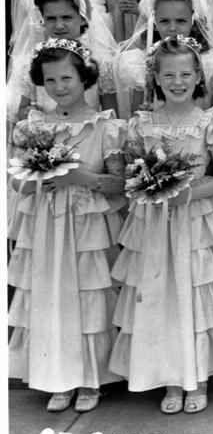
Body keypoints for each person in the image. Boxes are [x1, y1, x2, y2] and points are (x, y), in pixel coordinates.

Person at [108, 36, 213, 415]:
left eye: (185, 73)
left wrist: (186, 195)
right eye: (169, 75)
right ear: (156, 78)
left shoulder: (208, 122)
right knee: (159, 294)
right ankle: (167, 378)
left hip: (194, 220)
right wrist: (148, 186)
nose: (177, 82)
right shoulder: (142, 125)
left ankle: (194, 377)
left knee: (192, 293)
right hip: (153, 224)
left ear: (198, 75)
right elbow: (131, 177)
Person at [7, 39, 126, 413]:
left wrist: (77, 176)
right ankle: (58, 376)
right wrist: (40, 174)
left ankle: (90, 378)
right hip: (47, 223)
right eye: (51, 80)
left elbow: (119, 183)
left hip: (87, 225)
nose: (60, 87)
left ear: (84, 77)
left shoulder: (107, 126)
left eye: (67, 78)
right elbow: (18, 181)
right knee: (51, 294)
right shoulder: (34, 125)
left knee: (88, 295)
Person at [8, 0, 118, 121]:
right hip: (47, 134)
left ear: (82, 19)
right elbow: (22, 110)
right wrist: (29, 113)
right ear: (42, 20)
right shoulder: (32, 62)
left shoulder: (99, 62)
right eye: (51, 18)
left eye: (67, 17)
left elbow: (110, 114)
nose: (59, 25)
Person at [115, 0, 213, 116]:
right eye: (165, 21)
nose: (173, 28)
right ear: (155, 23)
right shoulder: (142, 62)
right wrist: (143, 112)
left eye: (181, 21)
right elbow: (136, 111)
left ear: (192, 21)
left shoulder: (208, 62)